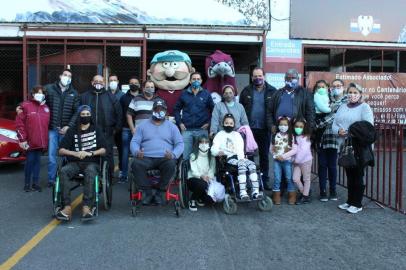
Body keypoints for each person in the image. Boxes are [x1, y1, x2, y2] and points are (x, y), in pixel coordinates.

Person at [56, 105, 106, 221]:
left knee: (90, 172)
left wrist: (90, 153)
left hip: (91, 162)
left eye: (87, 115)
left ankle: (86, 207)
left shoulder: (96, 129)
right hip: (74, 162)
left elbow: (104, 150)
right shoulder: (72, 131)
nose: (85, 117)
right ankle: (67, 207)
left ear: (91, 116)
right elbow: (61, 150)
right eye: (83, 115)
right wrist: (75, 153)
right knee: (63, 171)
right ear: (79, 116)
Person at [130, 100, 184, 205]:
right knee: (135, 163)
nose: (159, 111)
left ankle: (160, 192)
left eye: (162, 109)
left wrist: (173, 154)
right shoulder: (142, 125)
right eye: (157, 109)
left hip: (165, 158)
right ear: (152, 110)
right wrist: (136, 152)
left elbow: (180, 144)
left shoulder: (172, 127)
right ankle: (147, 192)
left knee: (171, 164)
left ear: (166, 111)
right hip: (146, 157)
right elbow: (135, 142)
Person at [333, 83, 374, 214]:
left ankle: (357, 203)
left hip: (359, 147)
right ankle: (350, 201)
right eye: (350, 92)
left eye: (355, 92)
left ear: (360, 94)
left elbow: (367, 128)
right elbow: (335, 123)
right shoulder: (342, 106)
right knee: (349, 175)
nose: (352, 95)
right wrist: (338, 130)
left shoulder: (365, 107)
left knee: (358, 175)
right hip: (345, 146)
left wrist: (351, 132)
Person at [239, 67, 277, 190]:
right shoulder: (246, 91)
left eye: (260, 76)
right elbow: (241, 110)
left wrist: (273, 125)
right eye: (255, 76)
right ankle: (251, 180)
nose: (257, 78)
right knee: (249, 155)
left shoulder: (272, 91)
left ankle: (264, 181)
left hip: (265, 129)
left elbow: (275, 110)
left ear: (264, 76)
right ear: (251, 77)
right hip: (249, 129)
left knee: (264, 156)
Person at [211, 114, 262, 200]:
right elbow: (213, 149)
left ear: (234, 124)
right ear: (223, 123)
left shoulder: (237, 135)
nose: (229, 125)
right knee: (242, 164)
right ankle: (243, 192)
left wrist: (242, 159)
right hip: (228, 158)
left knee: (252, 164)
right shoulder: (219, 135)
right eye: (226, 123)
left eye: (231, 123)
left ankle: (255, 192)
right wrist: (218, 152)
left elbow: (240, 150)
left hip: (239, 158)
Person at [80, 75, 122, 178]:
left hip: (107, 131)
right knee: (90, 153)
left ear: (104, 83)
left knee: (107, 154)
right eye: (96, 81)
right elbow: (79, 113)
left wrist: (116, 128)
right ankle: (90, 175)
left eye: (101, 81)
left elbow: (119, 113)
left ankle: (108, 177)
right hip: (89, 131)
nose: (98, 83)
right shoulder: (84, 96)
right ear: (92, 82)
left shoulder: (111, 97)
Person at [44, 69, 80, 187]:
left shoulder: (74, 93)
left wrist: (68, 126)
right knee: (51, 156)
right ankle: (52, 180)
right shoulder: (49, 89)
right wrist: (20, 106)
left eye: (69, 76)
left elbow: (76, 112)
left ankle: (65, 176)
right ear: (60, 76)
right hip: (52, 129)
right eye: (65, 75)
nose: (67, 78)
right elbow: (35, 98)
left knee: (67, 155)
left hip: (65, 130)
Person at [314, 79, 347, 202]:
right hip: (322, 137)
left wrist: (321, 123)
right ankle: (322, 190)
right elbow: (319, 118)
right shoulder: (326, 99)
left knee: (332, 166)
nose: (336, 88)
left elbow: (336, 117)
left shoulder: (346, 101)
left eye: (338, 86)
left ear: (343, 87)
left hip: (335, 138)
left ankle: (333, 190)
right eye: (334, 86)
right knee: (322, 165)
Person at [16, 86, 50, 192]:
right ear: (33, 94)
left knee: (37, 162)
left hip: (40, 142)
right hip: (29, 141)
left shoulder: (46, 108)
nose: (40, 94)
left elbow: (46, 126)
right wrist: (22, 139)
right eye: (38, 92)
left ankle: (35, 183)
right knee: (30, 162)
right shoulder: (25, 106)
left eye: (42, 93)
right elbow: (19, 124)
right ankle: (27, 184)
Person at [174, 71, 214, 160]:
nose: (196, 81)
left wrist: (209, 123)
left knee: (203, 156)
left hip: (202, 130)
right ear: (190, 81)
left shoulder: (206, 94)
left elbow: (214, 111)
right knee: (186, 156)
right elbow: (176, 109)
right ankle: (186, 174)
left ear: (201, 81)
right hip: (187, 130)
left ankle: (201, 174)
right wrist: (180, 123)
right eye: (194, 79)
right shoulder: (184, 94)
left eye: (198, 79)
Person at [117, 76, 141, 183]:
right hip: (126, 128)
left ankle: (139, 174)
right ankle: (124, 174)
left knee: (140, 152)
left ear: (139, 85)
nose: (134, 84)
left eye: (136, 83)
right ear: (129, 84)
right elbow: (121, 114)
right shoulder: (123, 98)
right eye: (131, 83)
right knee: (125, 151)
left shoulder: (142, 97)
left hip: (140, 130)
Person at [270, 116, 296, 205]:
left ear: (288, 126)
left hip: (287, 161)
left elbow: (294, 150)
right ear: (278, 125)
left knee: (289, 178)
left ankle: (292, 194)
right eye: (281, 124)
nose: (283, 126)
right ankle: (276, 195)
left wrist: (284, 156)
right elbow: (271, 148)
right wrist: (275, 155)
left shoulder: (291, 136)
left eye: (285, 125)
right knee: (277, 178)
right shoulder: (275, 136)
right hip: (277, 161)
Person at [187, 135, 216, 211]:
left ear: (209, 144)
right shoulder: (193, 155)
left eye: (206, 142)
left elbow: (212, 169)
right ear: (198, 144)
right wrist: (202, 176)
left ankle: (199, 196)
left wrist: (209, 177)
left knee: (210, 201)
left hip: (207, 179)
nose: (204, 144)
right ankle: (192, 200)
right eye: (201, 142)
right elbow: (194, 170)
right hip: (194, 179)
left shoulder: (211, 156)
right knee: (202, 184)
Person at [291, 118, 313, 205]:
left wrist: (296, 160)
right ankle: (304, 191)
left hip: (306, 161)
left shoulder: (306, 137)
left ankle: (305, 196)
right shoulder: (294, 137)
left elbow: (304, 150)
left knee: (306, 179)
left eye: (301, 127)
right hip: (297, 162)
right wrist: (293, 159)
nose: (298, 128)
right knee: (295, 178)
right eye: (296, 126)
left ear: (304, 128)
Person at [108, 73, 125, 179]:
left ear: (118, 82)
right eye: (111, 80)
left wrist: (119, 126)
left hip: (119, 127)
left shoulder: (122, 95)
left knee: (121, 150)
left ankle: (122, 170)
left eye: (114, 80)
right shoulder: (105, 94)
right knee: (108, 150)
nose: (113, 82)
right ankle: (109, 171)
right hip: (108, 126)